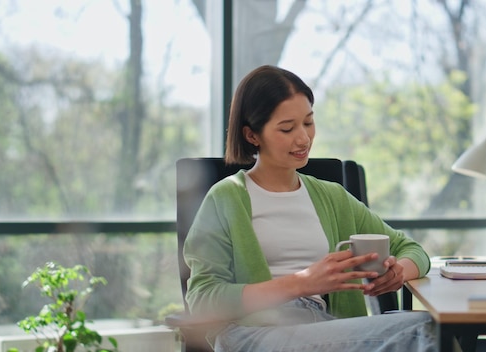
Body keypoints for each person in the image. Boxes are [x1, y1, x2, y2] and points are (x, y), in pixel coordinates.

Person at [183, 65, 436, 352]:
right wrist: (301, 283)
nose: (303, 138)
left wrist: (398, 273)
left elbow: (413, 249)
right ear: (252, 135)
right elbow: (202, 299)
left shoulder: (331, 197)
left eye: (308, 122)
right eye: (287, 128)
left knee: (434, 325)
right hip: (253, 335)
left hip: (322, 327)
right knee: (423, 330)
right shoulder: (227, 198)